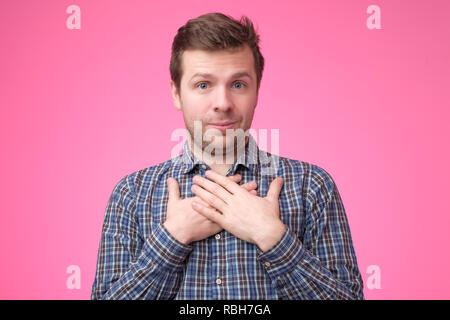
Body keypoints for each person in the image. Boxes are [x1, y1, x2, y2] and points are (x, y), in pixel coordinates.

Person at [91, 12, 364, 300]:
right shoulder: (131, 194)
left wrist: (272, 236)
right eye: (203, 85)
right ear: (176, 92)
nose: (222, 104)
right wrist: (172, 239)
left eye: (238, 84)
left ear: (257, 90)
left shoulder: (312, 186)